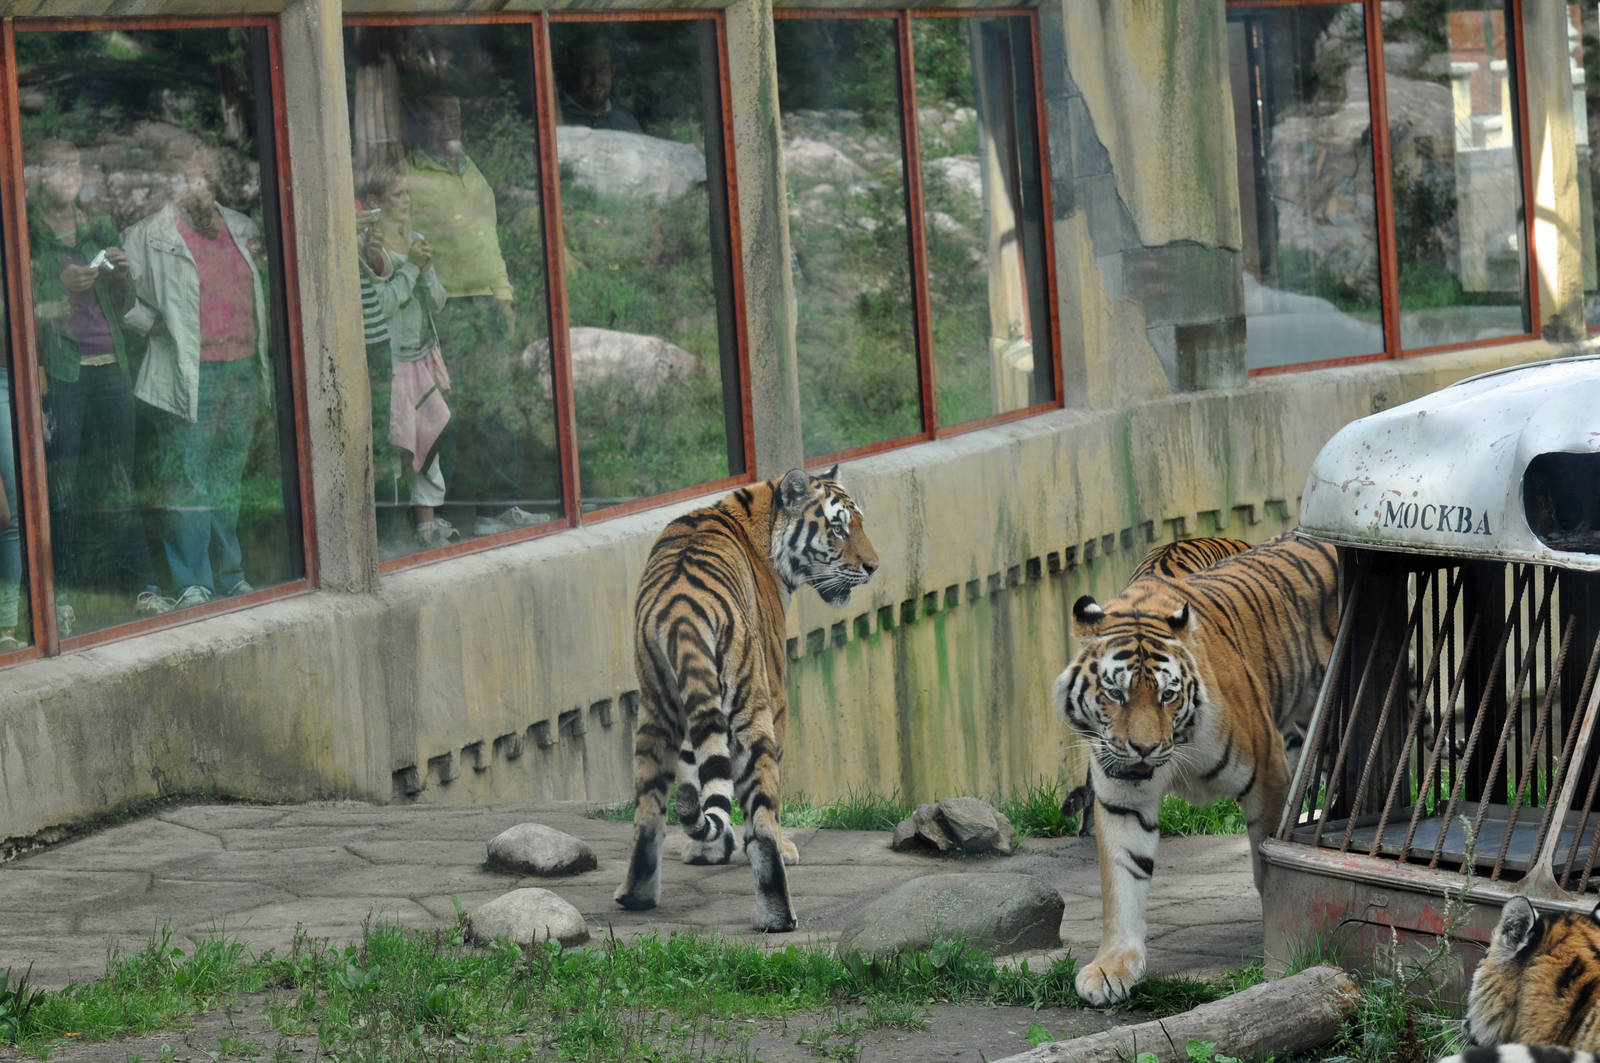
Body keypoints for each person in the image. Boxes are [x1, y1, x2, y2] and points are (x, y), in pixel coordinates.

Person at [26, 139, 171, 631]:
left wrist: (121, 276)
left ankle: (144, 588)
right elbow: (23, 308)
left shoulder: (97, 225)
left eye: (73, 163)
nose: (66, 172)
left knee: (119, 479)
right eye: (56, 165)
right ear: (38, 174)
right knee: (62, 483)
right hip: (63, 372)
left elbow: (122, 302)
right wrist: (58, 290)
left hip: (110, 366)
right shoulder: (27, 232)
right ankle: (60, 596)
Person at [121, 142, 271, 610]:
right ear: (172, 184)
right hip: (191, 374)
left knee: (228, 479)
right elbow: (123, 300)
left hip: (243, 369)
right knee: (188, 481)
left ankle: (231, 575)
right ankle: (192, 582)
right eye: (186, 179)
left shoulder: (241, 227)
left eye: (203, 178)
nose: (196, 187)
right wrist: (156, 327)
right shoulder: (148, 235)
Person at [403, 94, 545, 537]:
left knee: (496, 407)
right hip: (446, 306)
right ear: (422, 125)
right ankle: (437, 515)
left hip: (485, 301)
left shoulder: (472, 169)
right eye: (440, 118)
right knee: (446, 412)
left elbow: (490, 238)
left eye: (456, 117)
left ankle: (497, 507)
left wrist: (504, 294)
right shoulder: (411, 176)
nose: (449, 125)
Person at [358, 165, 456, 548]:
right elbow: (379, 306)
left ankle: (427, 526)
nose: (407, 201)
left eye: (408, 194)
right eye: (398, 194)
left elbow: (440, 301)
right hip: (392, 361)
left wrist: (426, 270)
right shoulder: (372, 249)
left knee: (429, 439)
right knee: (398, 444)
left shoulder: (416, 239)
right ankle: (388, 534)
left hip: (422, 356)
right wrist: (412, 267)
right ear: (375, 203)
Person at [559, 39, 643, 132]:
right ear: (575, 74)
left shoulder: (627, 122)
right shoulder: (559, 120)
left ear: (612, 71)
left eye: (603, 69)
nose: (596, 79)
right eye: (586, 70)